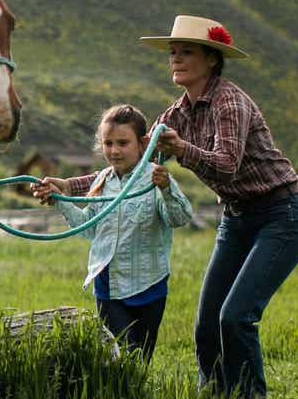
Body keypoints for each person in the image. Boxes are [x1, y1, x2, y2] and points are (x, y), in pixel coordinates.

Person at [34, 16, 298, 399]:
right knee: (206, 323)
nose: (176, 59)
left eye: (187, 52)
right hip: (236, 219)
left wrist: (181, 150)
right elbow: (129, 167)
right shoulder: (174, 116)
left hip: (279, 215)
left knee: (235, 316)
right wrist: (67, 186)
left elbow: (227, 164)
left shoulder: (230, 101)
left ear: (212, 59)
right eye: (173, 53)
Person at [37, 103, 192, 363]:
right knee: (122, 356)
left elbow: (179, 217)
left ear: (142, 143)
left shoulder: (156, 178)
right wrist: (59, 200)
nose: (115, 151)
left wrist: (166, 189)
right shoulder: (102, 182)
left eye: (123, 142)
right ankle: (114, 398)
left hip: (149, 284)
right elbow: (90, 229)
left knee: (140, 359)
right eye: (108, 143)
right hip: (109, 287)